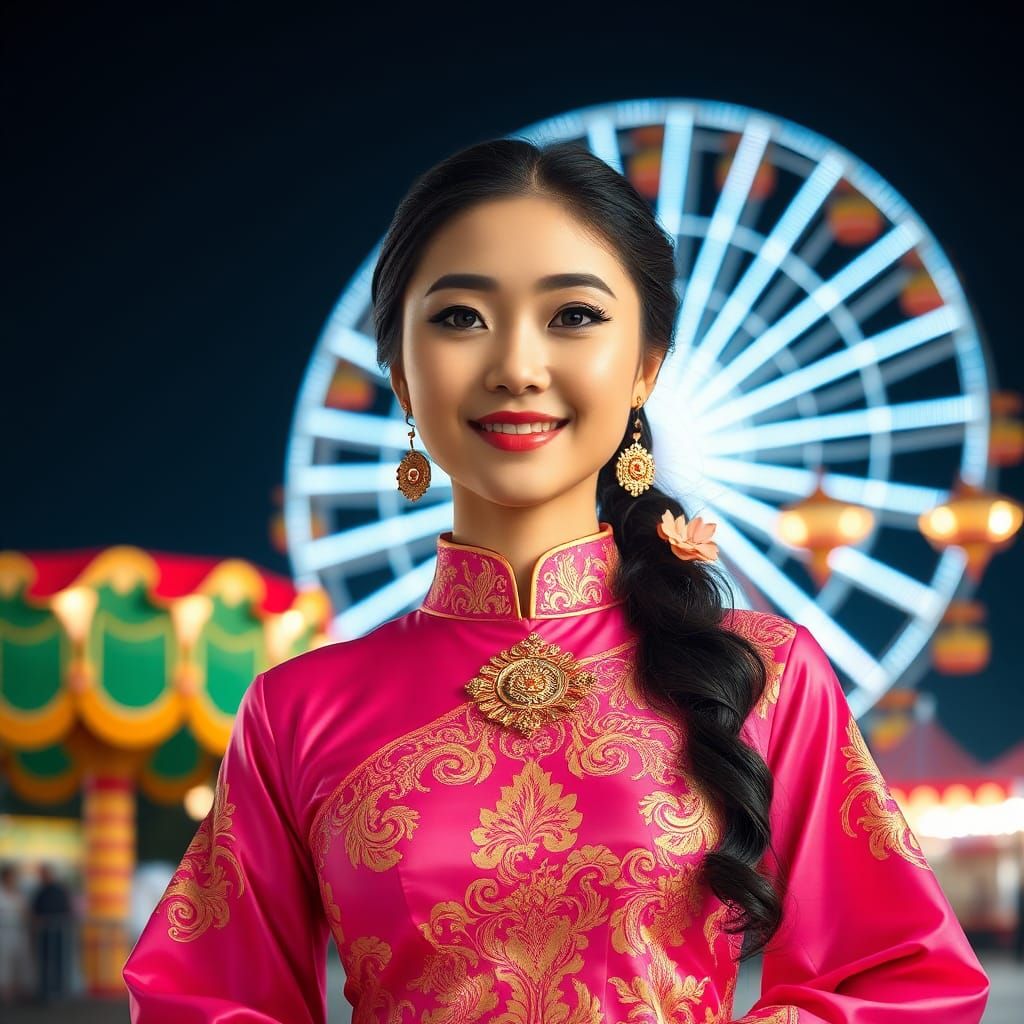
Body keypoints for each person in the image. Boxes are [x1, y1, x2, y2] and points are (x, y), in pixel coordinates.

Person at [122, 138, 990, 1022]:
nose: (517, 367)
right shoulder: (297, 712)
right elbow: (202, 999)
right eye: (461, 317)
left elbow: (908, 980)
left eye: (573, 315)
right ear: (400, 377)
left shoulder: (767, 679)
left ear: (647, 367)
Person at [30, 862, 72, 1003]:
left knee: (57, 963)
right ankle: (48, 991)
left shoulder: (52, 891)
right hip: (48, 935)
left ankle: (57, 991)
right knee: (47, 963)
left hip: (57, 935)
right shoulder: (44, 892)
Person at [0, 862, 34, 1007]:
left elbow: (25, 912)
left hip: (19, 933)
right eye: (10, 877)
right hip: (4, 933)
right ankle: (5, 991)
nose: (12, 880)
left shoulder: (19, 894)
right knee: (5, 962)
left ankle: (19, 989)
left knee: (21, 961)